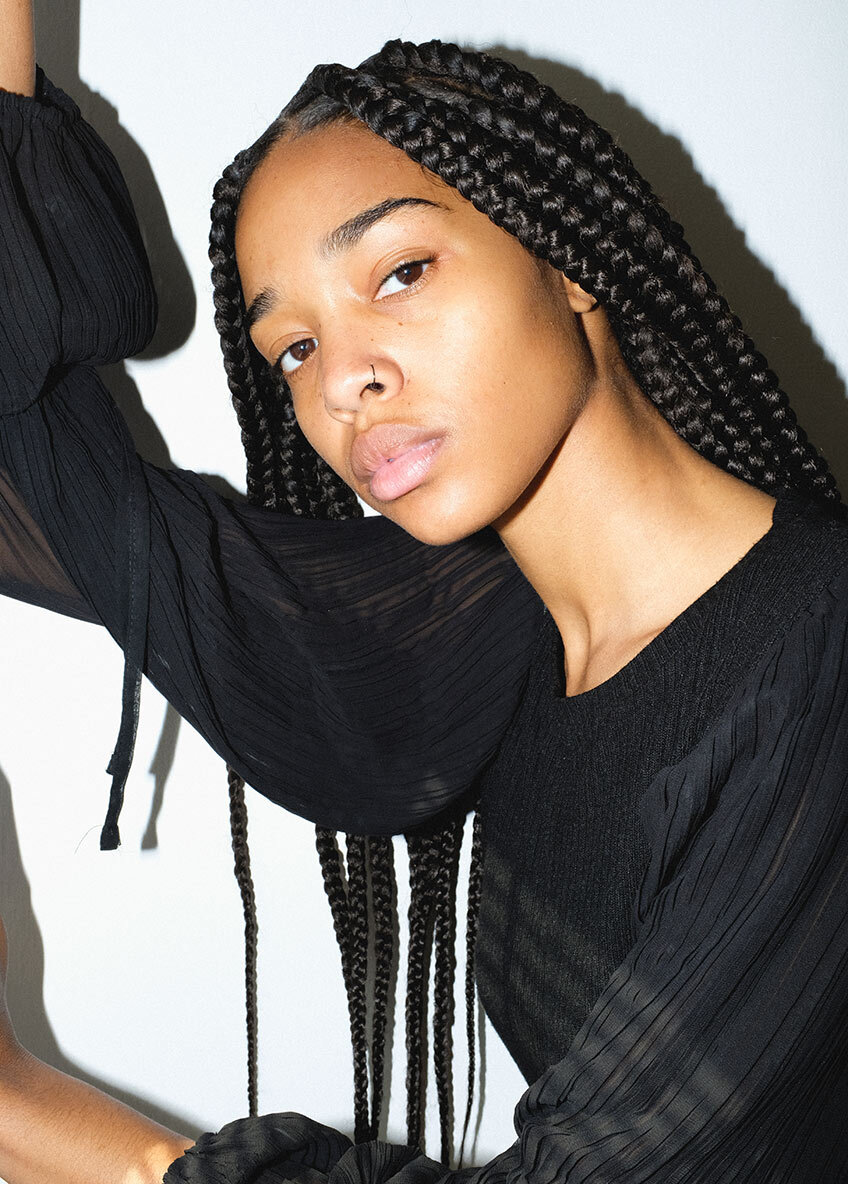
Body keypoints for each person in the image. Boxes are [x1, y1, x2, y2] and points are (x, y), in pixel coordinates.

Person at [1, 2, 847, 1181]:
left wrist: (31, 1114)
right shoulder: (500, 635)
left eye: (398, 272)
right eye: (293, 347)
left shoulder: (815, 657)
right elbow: (93, 515)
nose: (342, 379)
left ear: (564, 257)